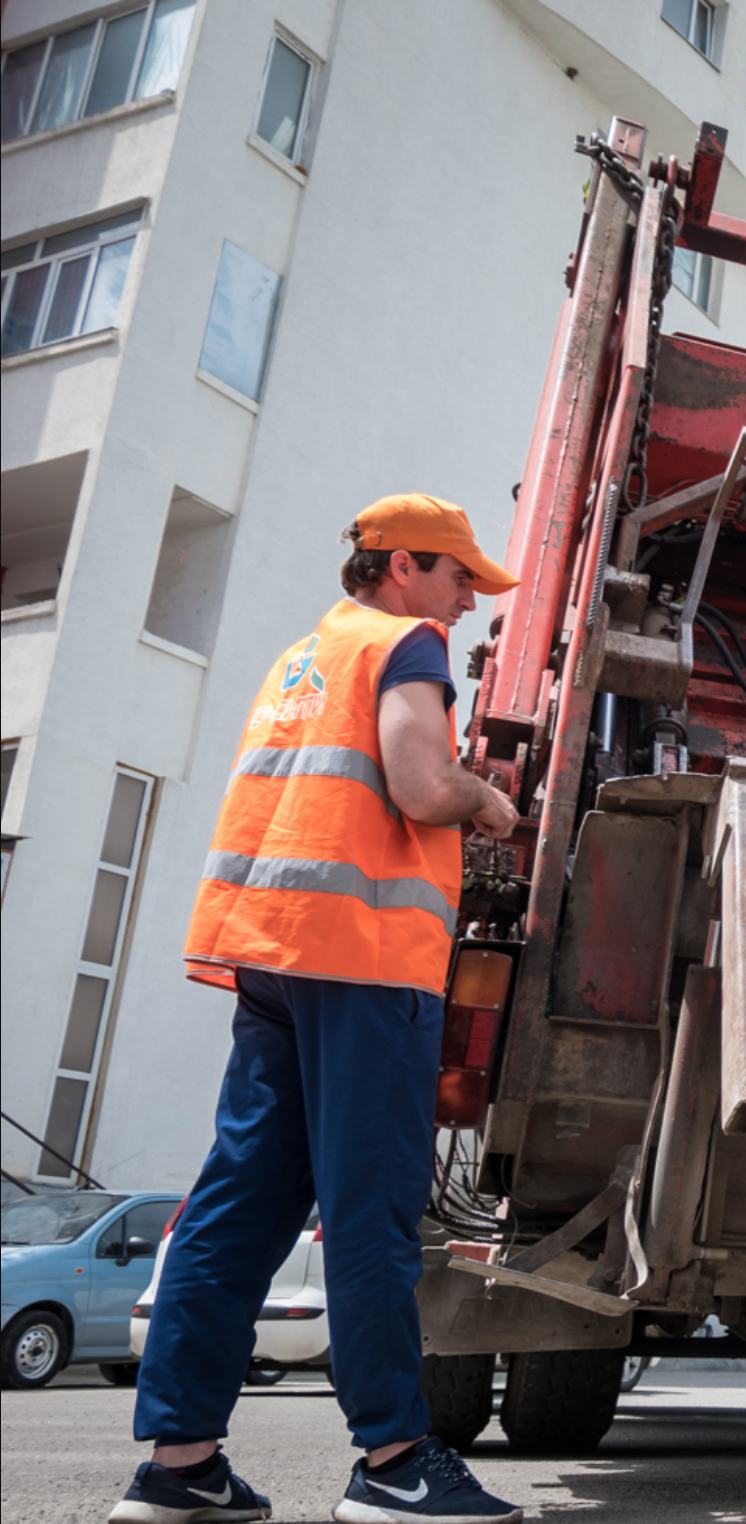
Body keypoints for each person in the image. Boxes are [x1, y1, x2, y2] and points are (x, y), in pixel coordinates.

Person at [116, 496, 529, 1524]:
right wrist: (484, 799)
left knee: (238, 1205)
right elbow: (419, 784)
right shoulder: (408, 643)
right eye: (457, 576)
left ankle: (180, 1463)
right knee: (370, 1208)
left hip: (277, 960)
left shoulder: (304, 658)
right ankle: (393, 1460)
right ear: (401, 566)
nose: (469, 598)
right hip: (365, 959)